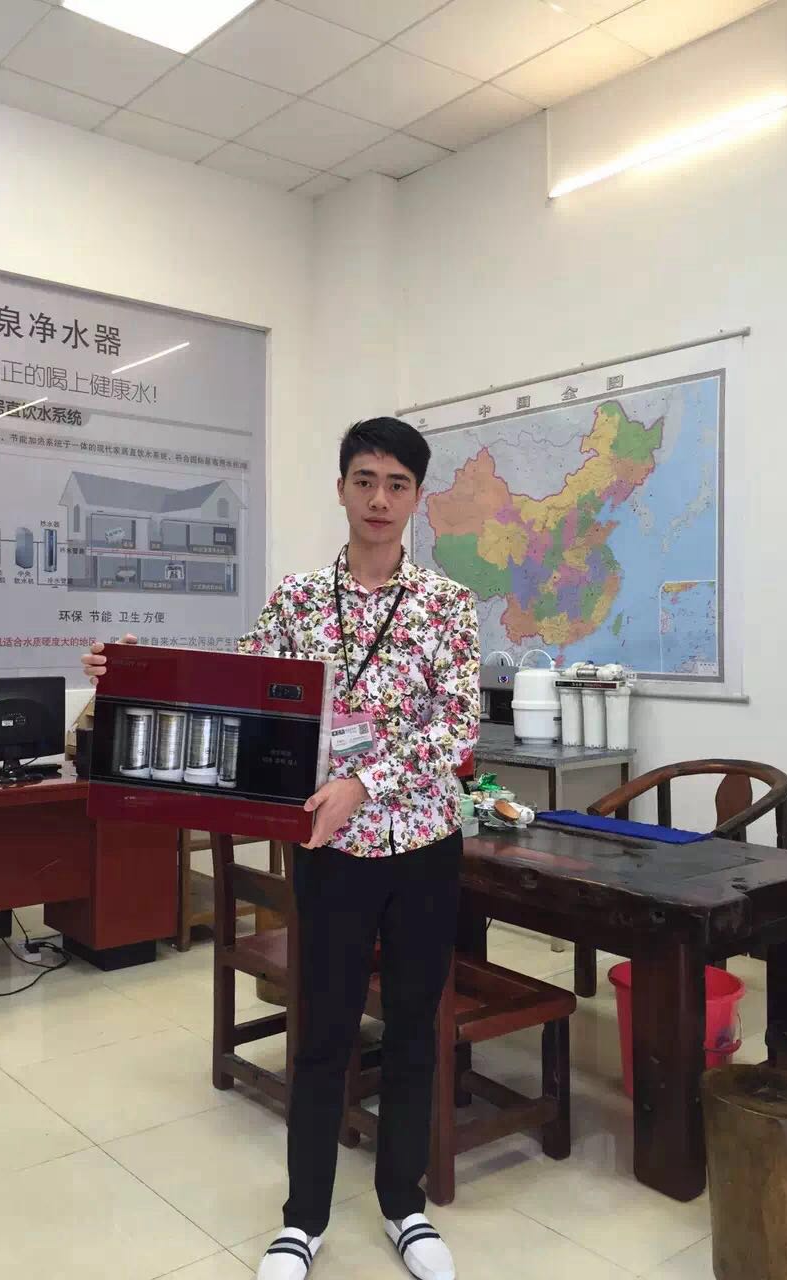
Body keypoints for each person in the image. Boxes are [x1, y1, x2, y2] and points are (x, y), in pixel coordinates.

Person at [82, 417, 481, 1280]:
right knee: (324, 1027)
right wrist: (134, 674)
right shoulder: (298, 599)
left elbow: (454, 727)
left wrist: (364, 783)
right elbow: (238, 691)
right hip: (327, 850)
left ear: (417, 498)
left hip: (421, 845)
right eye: (365, 480)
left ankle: (404, 1205)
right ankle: (303, 1220)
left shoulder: (447, 605)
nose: (379, 499)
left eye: (397, 484)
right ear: (341, 489)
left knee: (414, 1026)